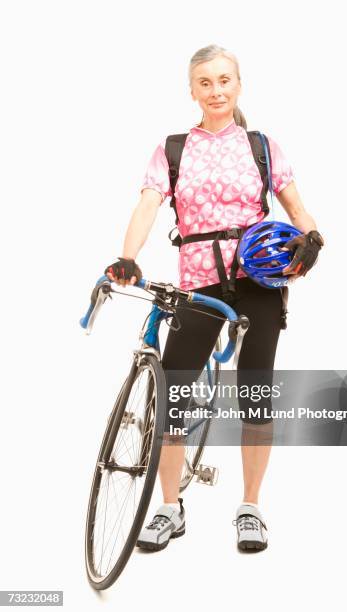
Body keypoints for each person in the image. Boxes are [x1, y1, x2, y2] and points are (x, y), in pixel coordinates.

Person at [105, 44, 324, 552]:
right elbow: (147, 204)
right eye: (205, 82)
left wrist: (312, 238)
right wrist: (127, 256)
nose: (216, 90)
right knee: (175, 398)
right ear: (192, 91)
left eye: (225, 80)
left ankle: (250, 507)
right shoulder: (173, 149)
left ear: (238, 84)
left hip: (259, 281)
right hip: (199, 283)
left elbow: (298, 209)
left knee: (256, 392)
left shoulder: (261, 145)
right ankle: (169, 507)